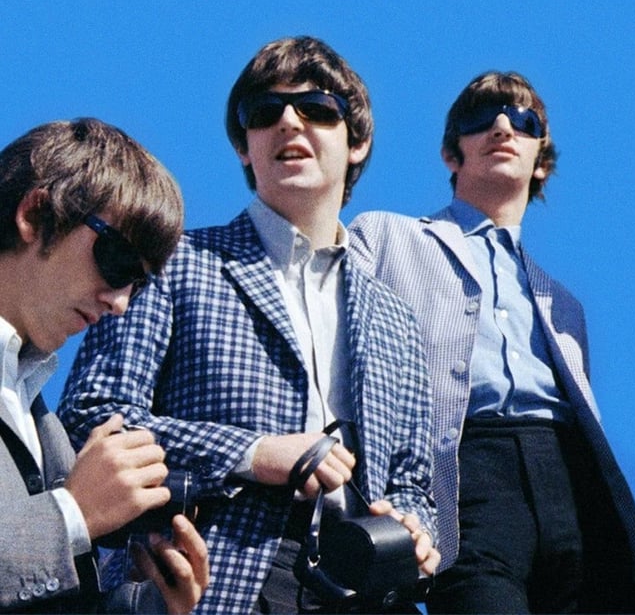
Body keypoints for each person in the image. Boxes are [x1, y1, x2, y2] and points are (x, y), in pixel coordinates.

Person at [58, 36, 439, 615]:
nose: (288, 121)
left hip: (361, 582)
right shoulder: (176, 263)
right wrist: (254, 453)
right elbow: (93, 418)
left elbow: (413, 481)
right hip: (216, 576)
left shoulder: (395, 317)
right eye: (264, 112)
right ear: (243, 146)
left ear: (357, 141)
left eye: (316, 108)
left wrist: (412, 527)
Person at [348, 70, 635, 615]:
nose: (502, 127)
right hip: (467, 471)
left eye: (523, 121)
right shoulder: (386, 238)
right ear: (452, 154)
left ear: (542, 161)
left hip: (569, 479)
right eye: (480, 119)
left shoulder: (564, 304)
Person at [0, 117, 209, 613]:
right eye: (118, 263)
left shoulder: (42, 424)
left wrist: (148, 604)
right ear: (35, 215)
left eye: (139, 284)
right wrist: (73, 512)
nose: (121, 302)